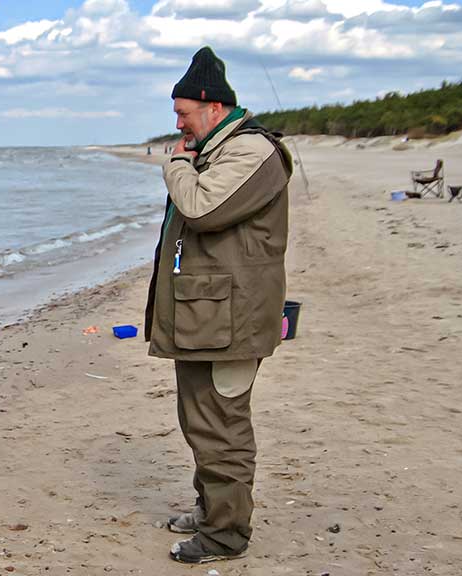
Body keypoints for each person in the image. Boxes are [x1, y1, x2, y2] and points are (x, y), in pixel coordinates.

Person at [143, 46, 293, 564]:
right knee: (201, 421)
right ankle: (212, 511)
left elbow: (202, 208)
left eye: (183, 113)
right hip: (206, 317)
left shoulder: (254, 152)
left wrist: (176, 164)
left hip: (229, 321)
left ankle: (225, 535)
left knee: (221, 428)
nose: (178, 124)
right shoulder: (218, 149)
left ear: (213, 107)